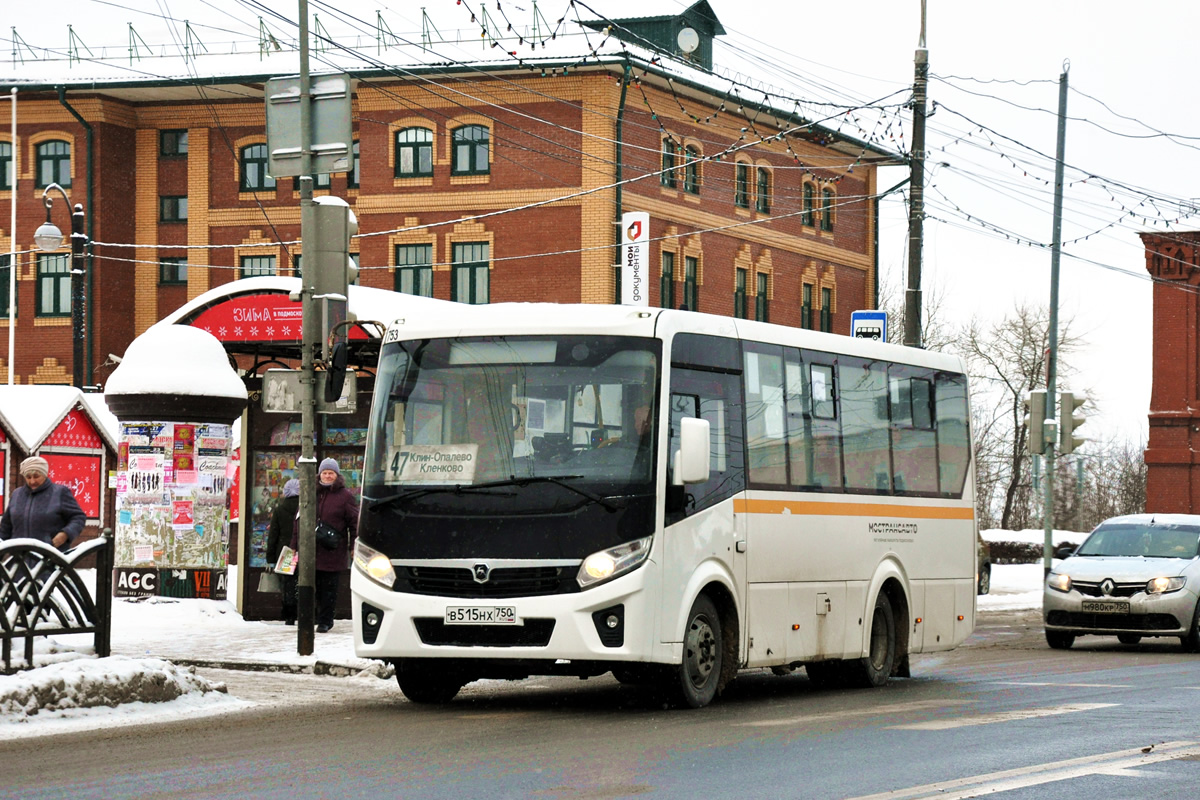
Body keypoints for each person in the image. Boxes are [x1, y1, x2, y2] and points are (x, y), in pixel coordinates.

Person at [290, 458, 358, 633]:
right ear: (319, 474)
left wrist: (353, 546)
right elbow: (298, 520)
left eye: (331, 473)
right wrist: (294, 545)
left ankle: (325, 621)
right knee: (312, 586)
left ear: (336, 475)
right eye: (325, 473)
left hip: (333, 550)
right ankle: (311, 617)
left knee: (329, 587)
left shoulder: (345, 497)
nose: (327, 476)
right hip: (311, 549)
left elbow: (354, 523)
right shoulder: (311, 493)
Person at [0, 456, 87, 549]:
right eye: (28, 477)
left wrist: (65, 534)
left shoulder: (60, 492)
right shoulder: (17, 494)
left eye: (36, 476)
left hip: (50, 557)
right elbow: (5, 527)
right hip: (19, 558)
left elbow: (78, 517)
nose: (32, 481)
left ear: (45, 474)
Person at [266, 478, 300, 625]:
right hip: (303, 549)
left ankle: (289, 614)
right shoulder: (306, 508)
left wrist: (270, 557)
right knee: (304, 581)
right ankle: (305, 611)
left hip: (286, 551)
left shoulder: (280, 510)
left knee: (288, 584)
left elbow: (273, 535)